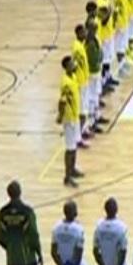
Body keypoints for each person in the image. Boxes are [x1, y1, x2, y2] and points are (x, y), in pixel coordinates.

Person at [0, 181, 42, 265]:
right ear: (20, 192)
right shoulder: (27, 212)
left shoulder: (3, 212)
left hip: (12, 261)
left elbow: (0, 236)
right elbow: (33, 235)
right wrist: (39, 253)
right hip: (28, 260)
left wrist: (11, 247)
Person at [56, 55, 84, 187]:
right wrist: (60, 116)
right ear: (66, 67)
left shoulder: (72, 77)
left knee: (74, 146)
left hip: (75, 116)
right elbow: (62, 101)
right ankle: (67, 177)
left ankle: (72, 169)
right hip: (69, 119)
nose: (74, 64)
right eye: (72, 63)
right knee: (70, 148)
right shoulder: (66, 83)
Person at [51, 200, 87, 265]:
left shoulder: (56, 228)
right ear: (75, 213)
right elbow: (78, 253)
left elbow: (53, 252)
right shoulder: (79, 229)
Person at [93, 198, 128, 265]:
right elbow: (123, 252)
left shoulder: (99, 227)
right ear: (116, 209)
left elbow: (96, 251)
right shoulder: (121, 227)